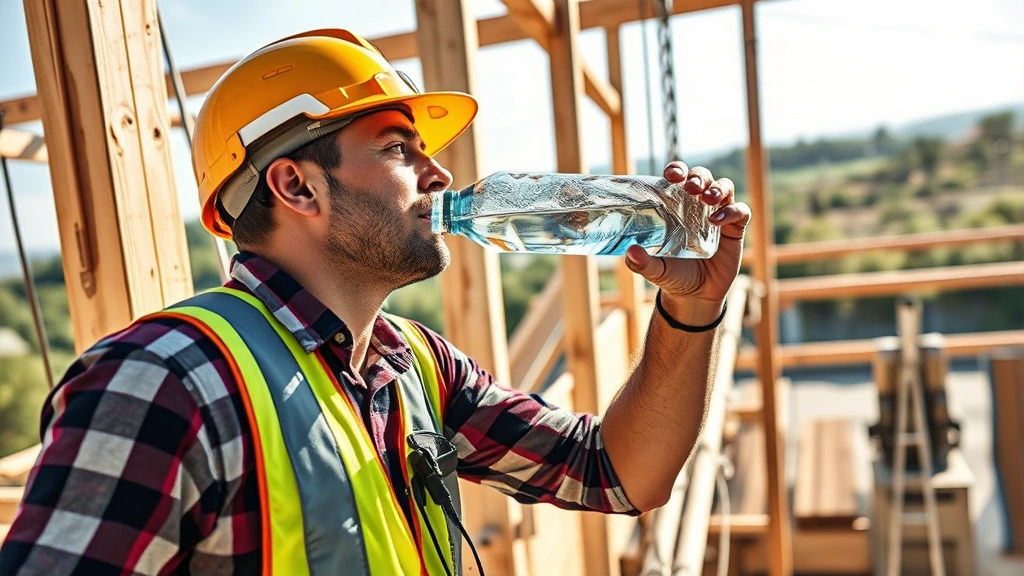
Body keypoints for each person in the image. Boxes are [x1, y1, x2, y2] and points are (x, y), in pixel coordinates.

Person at [0, 28, 750, 576]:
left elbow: (618, 472)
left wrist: (692, 310)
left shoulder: (412, 365)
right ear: (297, 185)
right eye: (399, 148)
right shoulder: (165, 380)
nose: (438, 173)